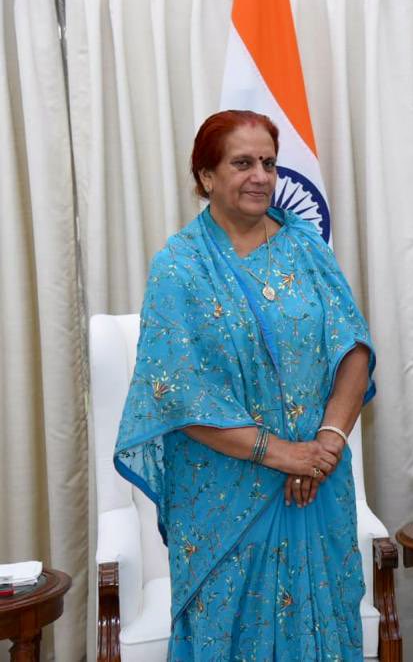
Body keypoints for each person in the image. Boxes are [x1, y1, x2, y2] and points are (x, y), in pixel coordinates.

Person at [114, 110, 374, 660]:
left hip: (316, 484)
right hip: (223, 490)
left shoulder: (306, 247)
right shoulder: (179, 267)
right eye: (242, 163)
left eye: (269, 163)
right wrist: (282, 455)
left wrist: (325, 446)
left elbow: (353, 349)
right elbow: (178, 392)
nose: (260, 175)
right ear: (206, 176)